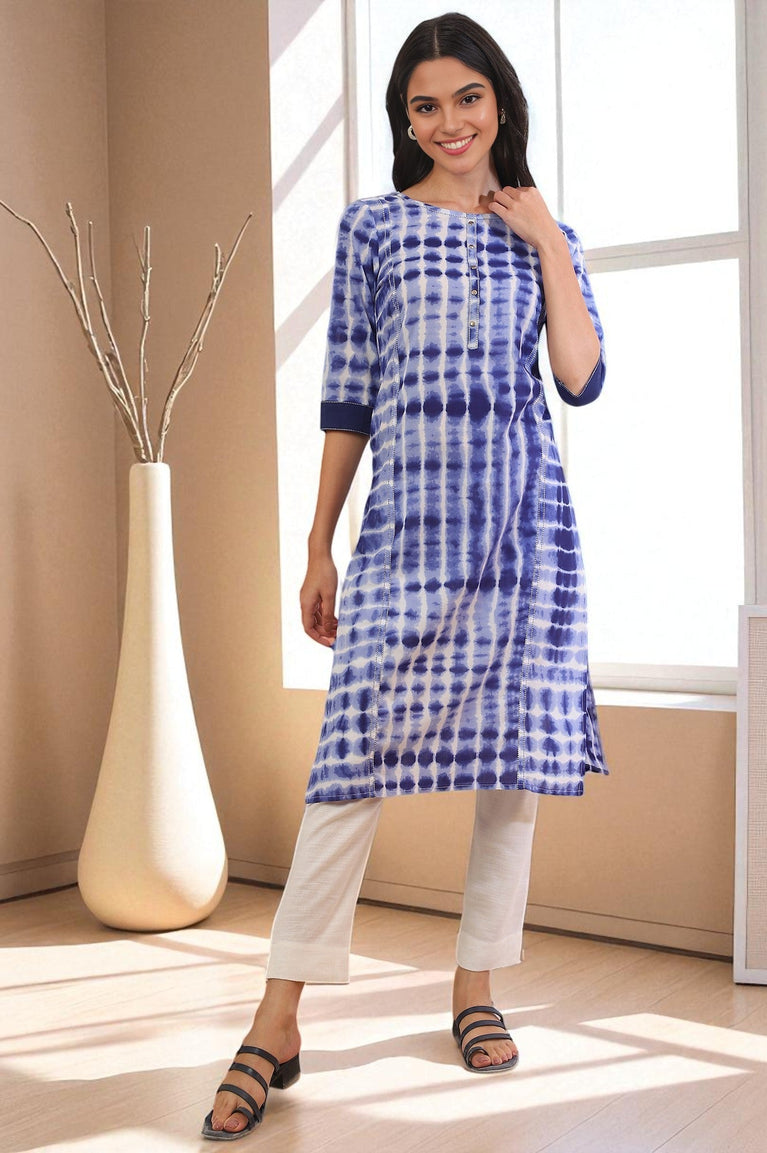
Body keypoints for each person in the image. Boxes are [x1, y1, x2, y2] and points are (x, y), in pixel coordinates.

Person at [202, 10, 610, 1140]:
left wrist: (544, 240)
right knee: (347, 764)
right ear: (405, 120)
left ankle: (475, 985)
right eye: (423, 105)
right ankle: (278, 1014)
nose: (447, 122)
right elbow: (348, 397)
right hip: (403, 531)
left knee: (510, 771)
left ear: (498, 102)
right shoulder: (372, 228)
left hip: (522, 530)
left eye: (465, 98)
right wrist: (316, 541)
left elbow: (579, 377)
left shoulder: (544, 234)